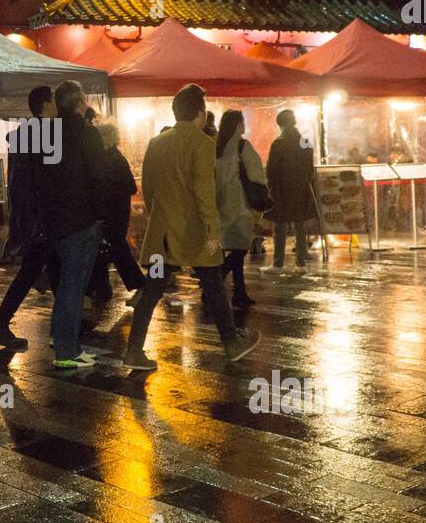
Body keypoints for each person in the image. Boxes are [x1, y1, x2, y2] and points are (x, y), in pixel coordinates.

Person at [125, 85, 262, 371]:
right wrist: (213, 230)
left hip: (163, 235)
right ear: (200, 113)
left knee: (152, 288)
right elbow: (204, 192)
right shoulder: (202, 144)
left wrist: (160, 215)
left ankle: (134, 350)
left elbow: (148, 189)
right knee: (212, 282)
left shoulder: (156, 143)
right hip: (195, 233)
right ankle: (231, 343)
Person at [0, 86, 61, 349]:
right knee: (32, 270)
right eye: (55, 101)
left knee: (53, 268)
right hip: (40, 218)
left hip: (29, 215)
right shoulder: (44, 134)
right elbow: (43, 181)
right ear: (47, 105)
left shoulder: (24, 135)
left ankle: (64, 325)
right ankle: (0, 323)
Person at [40, 80, 106, 369]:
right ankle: (67, 351)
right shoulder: (87, 134)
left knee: (67, 283)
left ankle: (68, 344)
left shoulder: (46, 134)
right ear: (80, 102)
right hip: (81, 219)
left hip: (54, 220)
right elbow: (98, 178)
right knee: (74, 285)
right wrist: (102, 215)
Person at [88, 120, 146, 304]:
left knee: (117, 251)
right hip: (114, 213)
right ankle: (101, 288)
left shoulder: (112, 159)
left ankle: (140, 286)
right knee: (104, 250)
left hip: (112, 215)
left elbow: (129, 186)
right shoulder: (111, 157)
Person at [215, 110, 266, 309]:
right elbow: (256, 173)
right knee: (241, 248)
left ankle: (240, 292)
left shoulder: (216, 146)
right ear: (238, 125)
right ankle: (215, 282)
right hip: (241, 203)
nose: (244, 126)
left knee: (235, 247)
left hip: (222, 203)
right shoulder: (243, 146)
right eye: (242, 123)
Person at [263, 110, 315, 273]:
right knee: (300, 225)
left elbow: (271, 170)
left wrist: (271, 189)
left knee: (280, 226)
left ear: (280, 124)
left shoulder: (279, 143)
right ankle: (301, 263)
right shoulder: (305, 140)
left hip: (281, 190)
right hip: (301, 189)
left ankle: (278, 263)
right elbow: (310, 167)